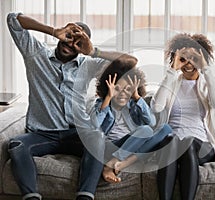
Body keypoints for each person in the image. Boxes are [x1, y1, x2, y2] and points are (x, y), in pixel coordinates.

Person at [7, 12, 136, 200]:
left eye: (77, 41)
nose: (70, 42)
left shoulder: (88, 64)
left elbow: (131, 61)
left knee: (97, 139)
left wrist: (93, 52)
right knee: (17, 145)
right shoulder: (36, 54)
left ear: (83, 47)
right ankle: (32, 197)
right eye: (69, 36)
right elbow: (13, 19)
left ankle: (84, 197)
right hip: (42, 134)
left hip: (77, 134)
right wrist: (54, 31)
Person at [150, 33, 215, 200]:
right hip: (172, 145)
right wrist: (172, 70)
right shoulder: (172, 82)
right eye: (184, 58)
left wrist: (205, 67)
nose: (189, 63)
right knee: (172, 140)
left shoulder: (210, 83)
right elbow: (156, 107)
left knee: (188, 142)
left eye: (194, 58)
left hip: (201, 145)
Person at [90, 58, 172, 183]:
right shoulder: (102, 104)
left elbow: (152, 122)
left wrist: (137, 97)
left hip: (133, 147)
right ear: (109, 88)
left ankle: (120, 164)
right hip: (112, 146)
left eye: (128, 89)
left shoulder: (134, 105)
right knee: (145, 130)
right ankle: (116, 160)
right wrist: (107, 98)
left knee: (166, 128)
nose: (122, 93)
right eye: (117, 89)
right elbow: (95, 125)